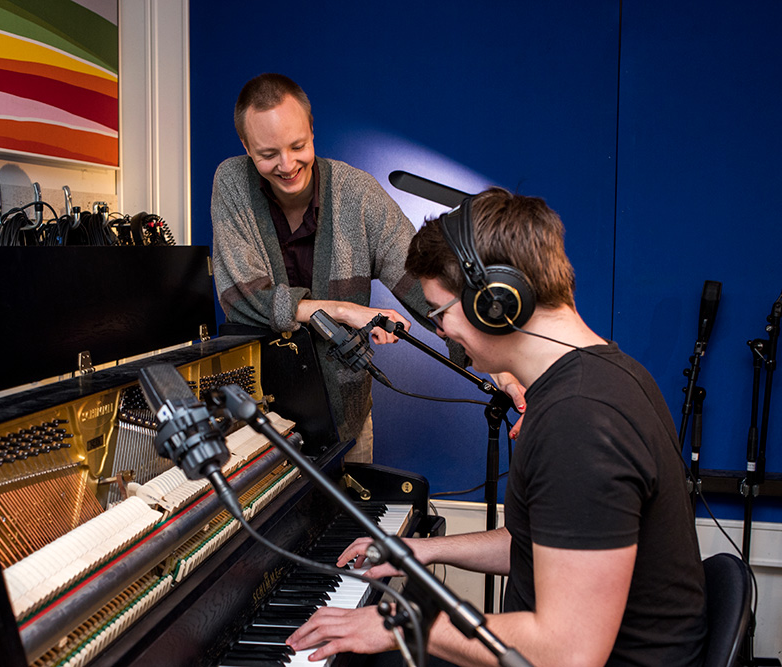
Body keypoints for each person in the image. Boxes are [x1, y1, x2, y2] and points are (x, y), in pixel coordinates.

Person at [287, 187, 707, 666]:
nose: (440, 330)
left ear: (496, 302)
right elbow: (545, 544)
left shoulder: (578, 420)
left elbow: (567, 654)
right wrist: (422, 551)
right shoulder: (610, 374)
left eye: (440, 313)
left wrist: (401, 622)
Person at [211, 73, 524, 461]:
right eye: (268, 154)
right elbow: (242, 298)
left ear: (312, 129)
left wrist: (500, 367)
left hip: (348, 422)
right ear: (245, 146)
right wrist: (343, 311)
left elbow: (428, 287)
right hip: (258, 429)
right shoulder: (231, 181)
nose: (287, 165)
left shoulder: (358, 194)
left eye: (298, 146)